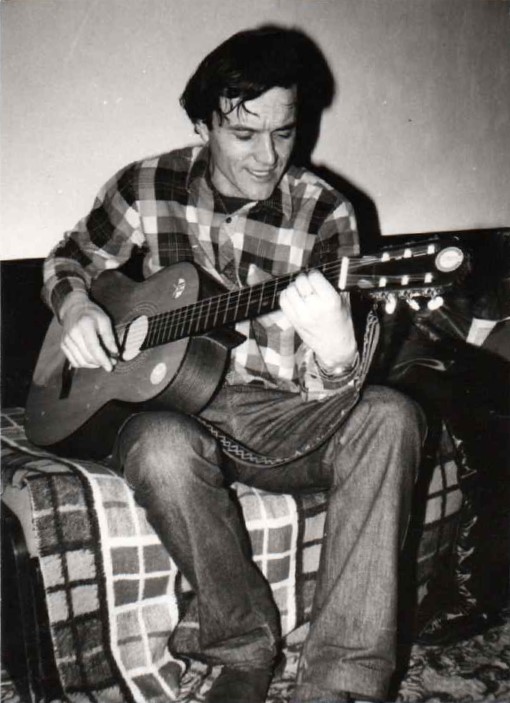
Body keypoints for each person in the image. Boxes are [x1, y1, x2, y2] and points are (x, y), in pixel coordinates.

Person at [42, 26, 426, 703]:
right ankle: (241, 649)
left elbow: (332, 393)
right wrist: (76, 306)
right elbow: (70, 256)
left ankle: (339, 681)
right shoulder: (146, 184)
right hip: (173, 410)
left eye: (284, 132)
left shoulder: (325, 214)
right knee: (159, 448)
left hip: (286, 415)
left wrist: (338, 351)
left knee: (393, 417)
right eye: (244, 134)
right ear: (202, 126)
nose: (267, 156)